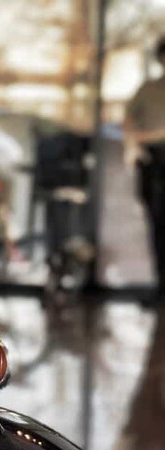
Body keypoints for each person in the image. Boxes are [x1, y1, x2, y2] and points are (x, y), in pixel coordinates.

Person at [124, 36, 165, 295]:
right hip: (154, 162)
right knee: (157, 223)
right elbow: (129, 120)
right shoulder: (148, 89)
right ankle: (161, 285)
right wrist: (135, 142)